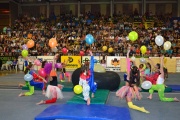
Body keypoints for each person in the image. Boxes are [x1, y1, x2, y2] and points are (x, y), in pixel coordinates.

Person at [116, 48, 150, 113]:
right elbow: (135, 88)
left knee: (130, 105)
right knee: (127, 95)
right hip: (132, 89)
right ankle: (129, 100)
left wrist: (128, 54)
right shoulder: (138, 75)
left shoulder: (129, 74)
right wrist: (137, 95)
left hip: (128, 89)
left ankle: (142, 109)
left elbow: (128, 63)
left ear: (131, 70)